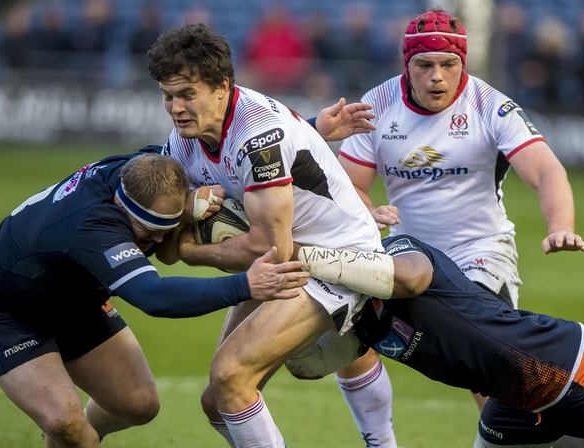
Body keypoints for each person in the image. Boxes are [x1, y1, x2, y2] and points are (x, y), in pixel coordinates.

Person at [146, 23, 399, 448]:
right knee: (217, 401)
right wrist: (186, 213)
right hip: (288, 260)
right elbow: (165, 248)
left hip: (341, 259)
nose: (176, 108)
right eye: (167, 96)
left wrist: (193, 250)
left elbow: (267, 248)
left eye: (187, 94)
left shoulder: (258, 134)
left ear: (222, 86)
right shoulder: (182, 142)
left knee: (230, 376)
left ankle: (382, 437)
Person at [0, 149, 308, 447]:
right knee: (65, 423)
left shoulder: (151, 167)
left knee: (139, 405)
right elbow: (153, 296)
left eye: (166, 229)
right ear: (124, 210)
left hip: (73, 298)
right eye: (148, 233)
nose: (157, 242)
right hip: (1, 310)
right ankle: (71, 436)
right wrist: (246, 285)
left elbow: (237, 153)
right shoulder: (95, 227)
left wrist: (313, 126)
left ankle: (73, 438)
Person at [336, 8, 584, 412]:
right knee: (344, 329)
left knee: (487, 361)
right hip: (407, 254)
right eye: (425, 65)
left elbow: (546, 170)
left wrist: (560, 225)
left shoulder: (491, 105)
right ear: (407, 64)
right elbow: (349, 185)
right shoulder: (377, 105)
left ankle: (542, 427)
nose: (437, 76)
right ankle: (381, 439)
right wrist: (368, 211)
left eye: (448, 64)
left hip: (480, 249)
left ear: (462, 64)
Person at [293, 237, 584, 448]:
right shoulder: (349, 312)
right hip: (513, 401)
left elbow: (411, 279)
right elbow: (308, 364)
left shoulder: (398, 249)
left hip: (567, 368)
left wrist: (302, 255)